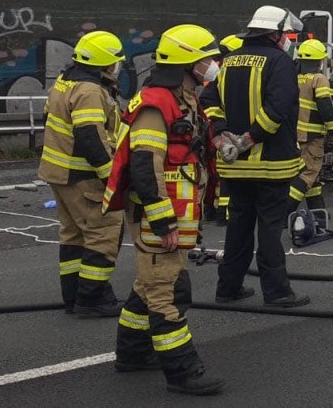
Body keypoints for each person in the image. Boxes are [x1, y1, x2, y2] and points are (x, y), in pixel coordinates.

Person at [106, 24, 224, 395]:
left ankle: (132, 353)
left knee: (147, 285)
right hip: (159, 215)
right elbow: (144, 165)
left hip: (172, 212)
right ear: (187, 63)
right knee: (167, 292)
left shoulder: (182, 98)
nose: (213, 64)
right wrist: (163, 222)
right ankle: (183, 372)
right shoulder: (157, 104)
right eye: (206, 59)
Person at [204, 5, 309, 308]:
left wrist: (223, 134)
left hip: (234, 165)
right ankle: (277, 293)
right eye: (285, 34)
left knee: (238, 227)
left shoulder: (229, 61)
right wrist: (249, 139)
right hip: (271, 165)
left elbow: (209, 100)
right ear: (275, 33)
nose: (287, 39)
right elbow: (278, 109)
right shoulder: (281, 62)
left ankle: (228, 289)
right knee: (270, 230)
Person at [38, 30, 125, 317]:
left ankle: (73, 298)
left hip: (60, 174)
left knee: (73, 236)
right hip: (83, 177)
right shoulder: (89, 91)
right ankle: (92, 300)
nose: (117, 66)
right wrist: (110, 177)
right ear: (104, 63)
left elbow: (48, 117)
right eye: (115, 61)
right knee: (103, 234)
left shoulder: (65, 82)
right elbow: (89, 137)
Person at [289, 39, 333, 219]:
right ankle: (284, 212)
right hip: (312, 136)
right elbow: (325, 106)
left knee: (312, 175)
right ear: (320, 61)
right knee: (308, 174)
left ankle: (319, 213)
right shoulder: (319, 79)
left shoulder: (294, 79)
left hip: (295, 135)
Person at [200, 34, 243, 226]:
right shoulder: (225, 75)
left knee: (218, 172)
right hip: (220, 130)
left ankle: (215, 211)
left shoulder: (221, 74)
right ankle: (222, 214)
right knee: (222, 173)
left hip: (216, 129)